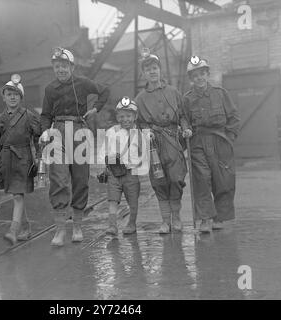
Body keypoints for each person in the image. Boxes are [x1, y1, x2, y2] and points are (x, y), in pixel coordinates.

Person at [40, 47, 110, 246]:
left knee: (80, 179)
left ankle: (77, 226)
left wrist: (96, 108)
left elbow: (104, 90)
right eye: (57, 66)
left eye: (64, 66)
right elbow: (45, 114)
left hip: (79, 131)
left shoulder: (83, 83)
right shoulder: (50, 89)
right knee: (58, 178)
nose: (60, 70)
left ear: (72, 67)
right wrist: (45, 131)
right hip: (57, 132)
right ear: (54, 68)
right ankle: (60, 230)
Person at [135, 48, 191, 234]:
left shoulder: (173, 91)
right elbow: (138, 123)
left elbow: (183, 115)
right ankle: (165, 221)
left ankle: (176, 217)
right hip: (154, 144)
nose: (152, 72)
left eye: (155, 68)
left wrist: (186, 127)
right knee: (159, 181)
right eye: (148, 69)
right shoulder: (140, 99)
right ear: (144, 73)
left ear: (160, 70)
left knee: (176, 179)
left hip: (173, 140)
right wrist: (146, 131)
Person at [183, 56, 240, 233]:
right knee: (202, 180)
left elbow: (234, 117)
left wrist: (229, 137)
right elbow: (184, 118)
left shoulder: (221, 93)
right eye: (195, 76)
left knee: (223, 180)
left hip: (221, 141)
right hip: (198, 142)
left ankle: (219, 217)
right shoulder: (187, 98)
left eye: (202, 74)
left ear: (207, 74)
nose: (199, 78)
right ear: (191, 79)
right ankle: (205, 219)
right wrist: (186, 129)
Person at [0, 74, 41, 245]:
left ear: (21, 98)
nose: (12, 97)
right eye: (9, 94)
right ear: (3, 97)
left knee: (18, 195)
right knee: (16, 195)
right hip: (6, 161)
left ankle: (13, 230)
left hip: (23, 159)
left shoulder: (29, 116)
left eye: (16, 94)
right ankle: (26, 228)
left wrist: (40, 157)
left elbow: (39, 137)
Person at [98, 97, 149, 236]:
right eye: (121, 116)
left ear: (135, 116)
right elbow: (104, 150)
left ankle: (131, 224)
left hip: (131, 173)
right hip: (113, 172)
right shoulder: (111, 132)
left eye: (129, 116)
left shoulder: (139, 134)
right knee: (112, 199)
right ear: (117, 117)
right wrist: (105, 164)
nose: (125, 119)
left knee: (133, 200)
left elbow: (143, 154)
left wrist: (133, 162)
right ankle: (112, 225)